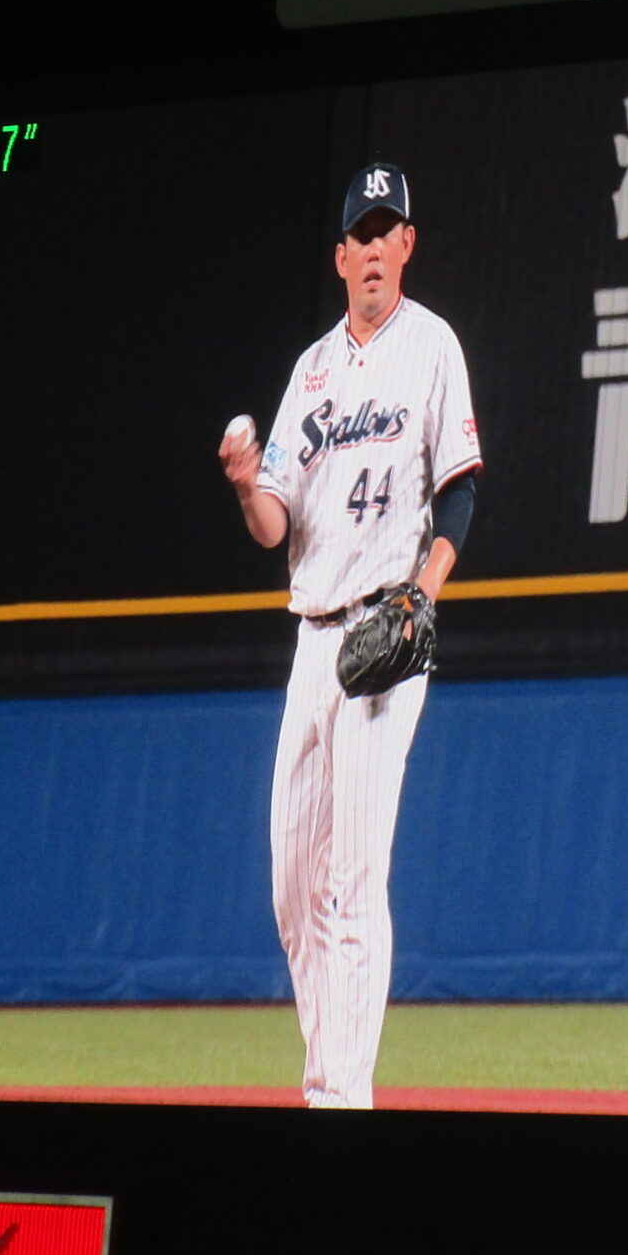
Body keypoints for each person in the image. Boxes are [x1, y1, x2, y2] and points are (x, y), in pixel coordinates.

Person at [217, 162, 480, 1108]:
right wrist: (246, 483)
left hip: (383, 632)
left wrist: (424, 593)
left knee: (355, 881)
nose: (372, 248)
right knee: (295, 889)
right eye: (358, 234)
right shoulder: (312, 371)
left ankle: (342, 1099)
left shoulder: (433, 346)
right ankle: (327, 1077)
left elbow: (461, 490)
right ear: (340, 257)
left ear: (408, 245)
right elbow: (274, 524)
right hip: (312, 640)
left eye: (386, 231)